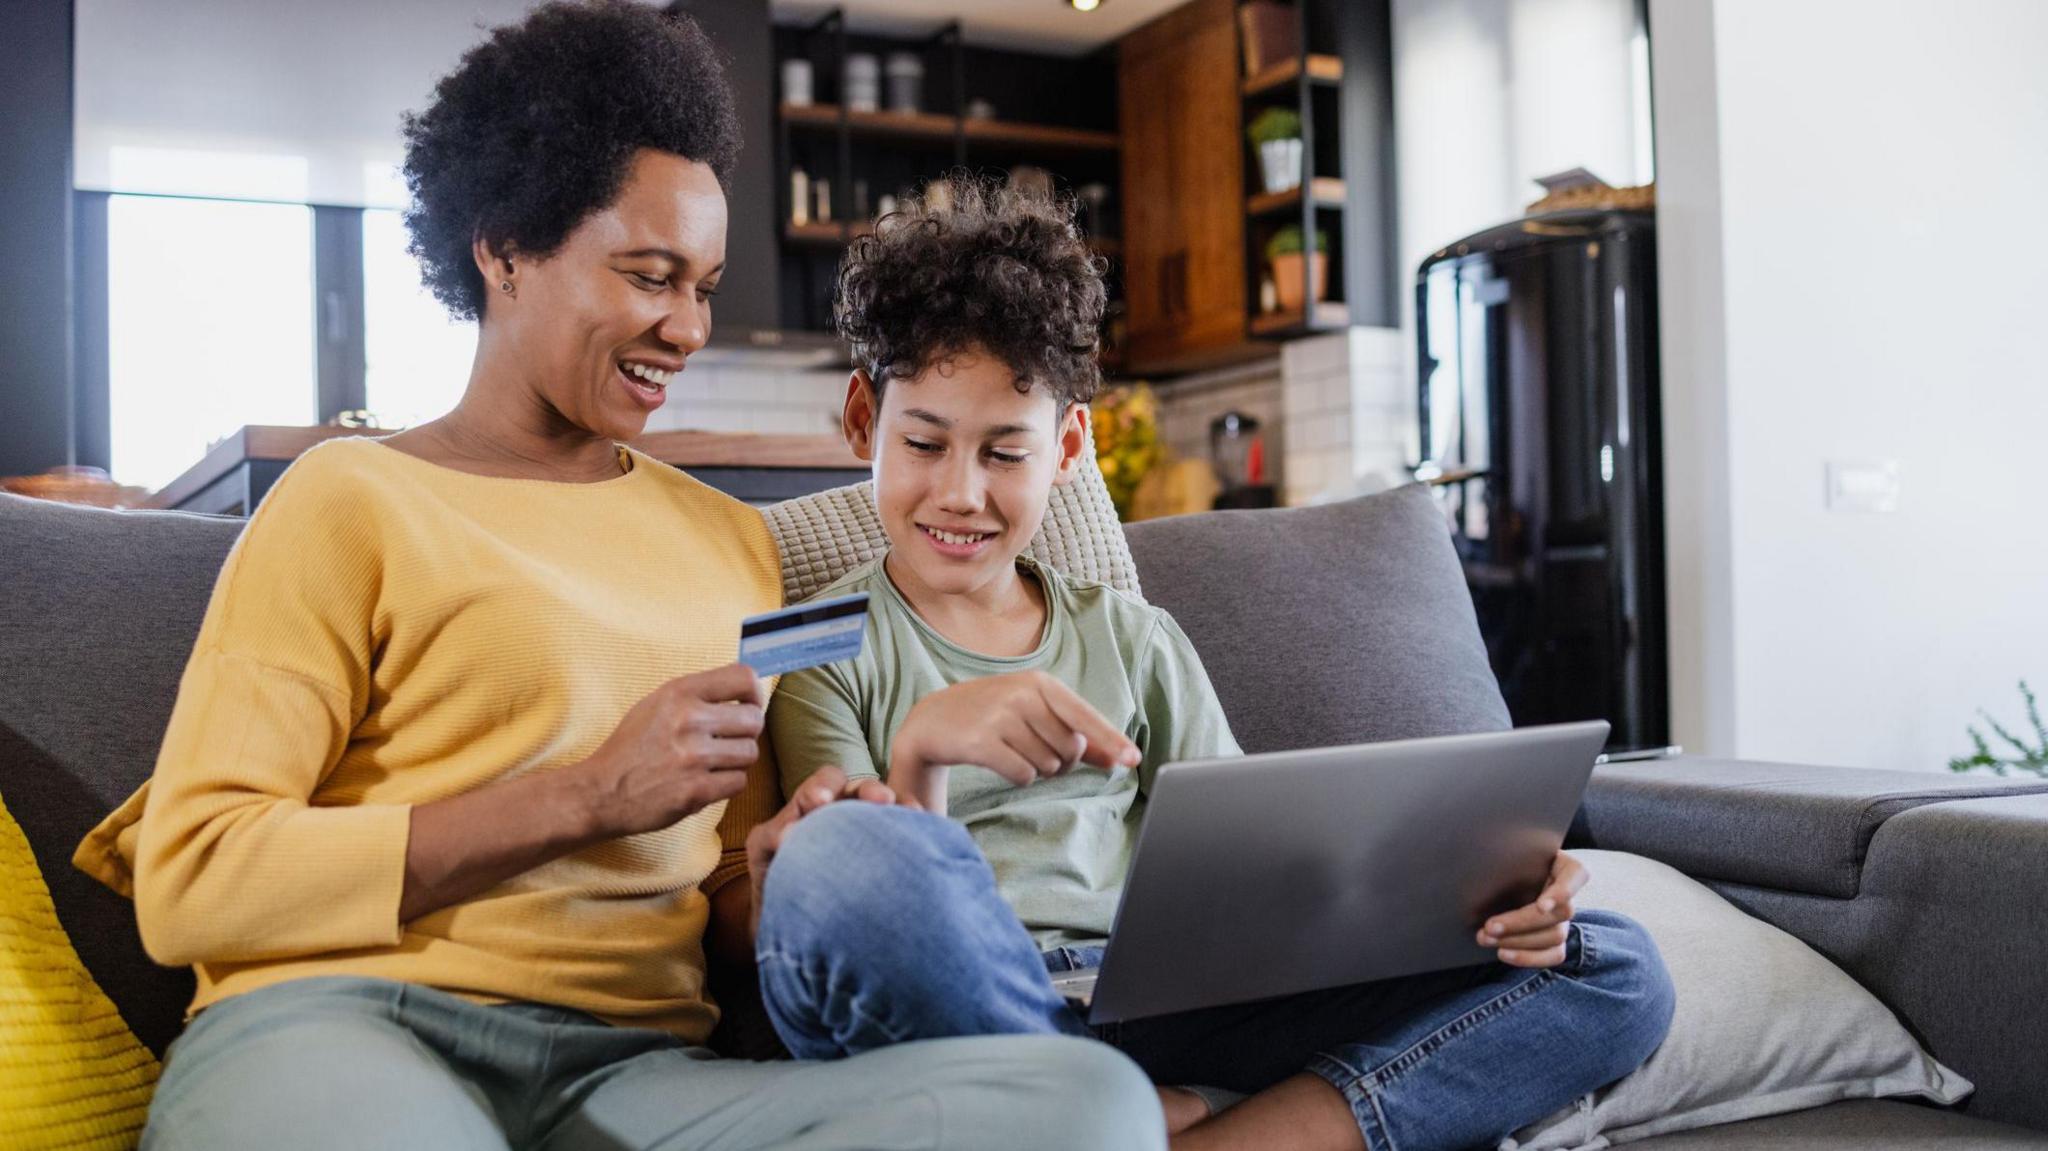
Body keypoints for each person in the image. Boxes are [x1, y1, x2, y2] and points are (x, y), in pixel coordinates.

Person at [71, 7, 1164, 1148]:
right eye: (650, 275)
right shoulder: (350, 498)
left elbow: (724, 896)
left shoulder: (728, 543)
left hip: (638, 1074)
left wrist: (794, 859)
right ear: (502, 249)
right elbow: (194, 877)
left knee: (1089, 1108)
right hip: (342, 1023)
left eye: (703, 285)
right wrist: (584, 793)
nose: (687, 326)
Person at [762, 180, 1678, 1151]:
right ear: (864, 421)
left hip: (1160, 995)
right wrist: (922, 752)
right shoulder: (824, 639)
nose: (960, 490)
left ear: (1067, 445)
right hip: (974, 992)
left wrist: (1474, 901)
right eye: (923, 442)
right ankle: (1101, 1101)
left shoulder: (1131, 635)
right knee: (866, 878)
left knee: (1608, 961)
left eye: (1002, 452)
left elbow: (1253, 869)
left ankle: (1204, 1131)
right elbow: (855, 893)